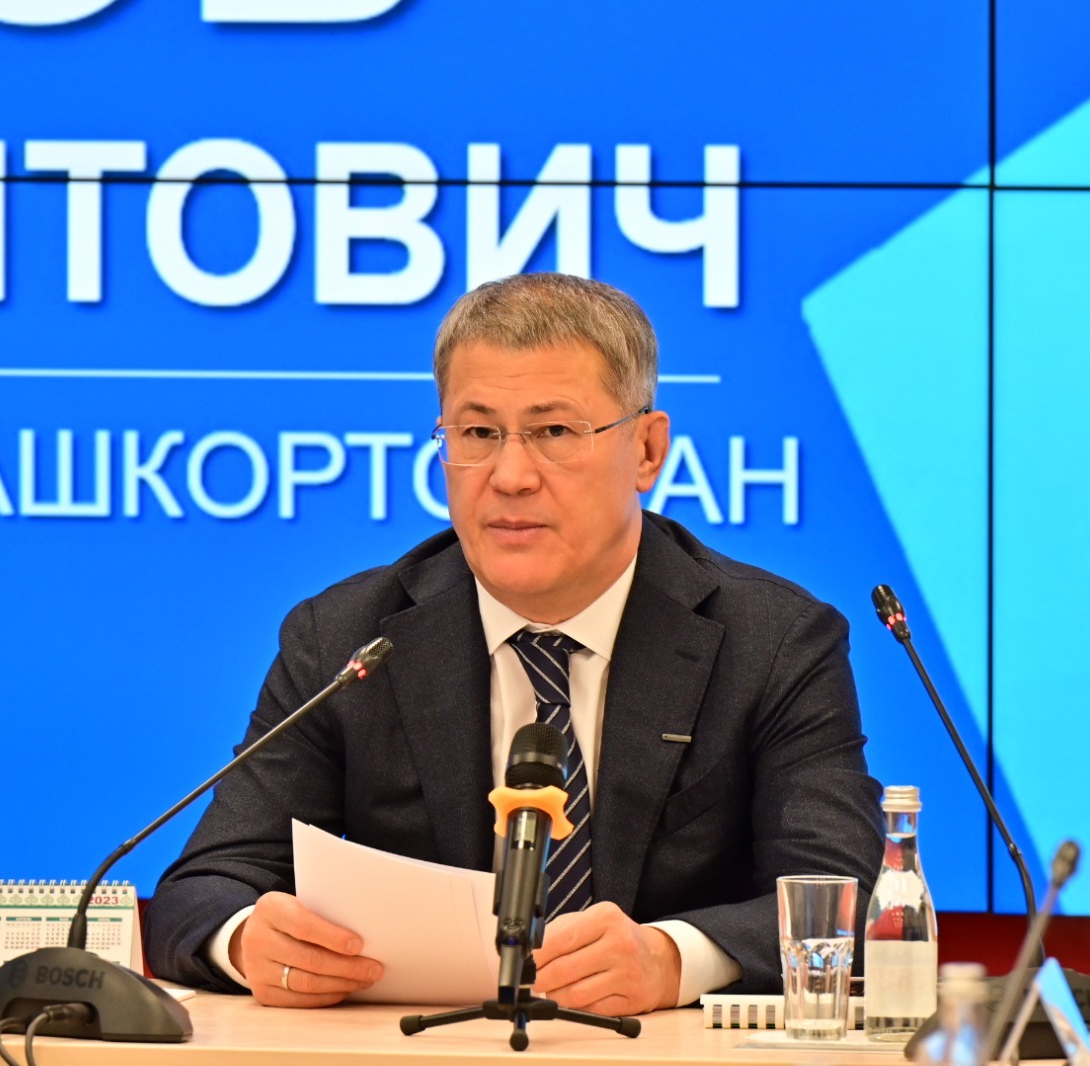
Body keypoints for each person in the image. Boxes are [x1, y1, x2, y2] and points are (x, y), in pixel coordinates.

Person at [145, 273, 883, 1015]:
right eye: (477, 434)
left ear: (647, 449)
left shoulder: (773, 641)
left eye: (554, 432)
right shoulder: (347, 639)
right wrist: (249, 940)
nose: (510, 476)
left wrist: (671, 959)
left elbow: (839, 895)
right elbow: (203, 890)